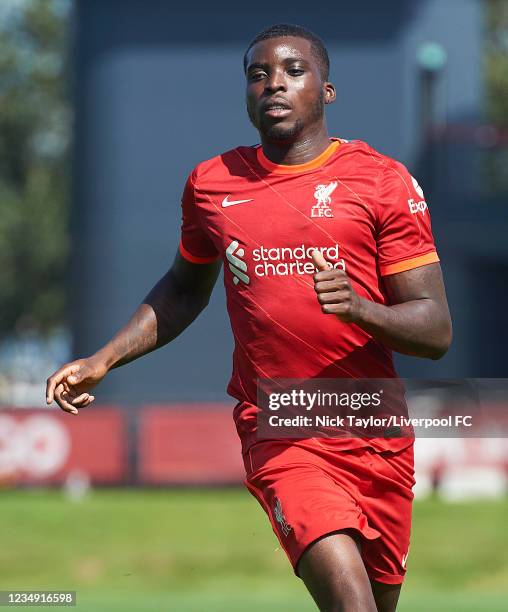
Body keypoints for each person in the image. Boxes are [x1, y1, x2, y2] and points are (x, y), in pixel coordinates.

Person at [46, 23, 452, 612]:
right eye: (258, 74)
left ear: (327, 90)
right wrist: (102, 358)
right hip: (281, 424)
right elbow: (184, 290)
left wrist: (359, 308)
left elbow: (436, 330)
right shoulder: (212, 185)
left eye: (292, 71)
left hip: (375, 428)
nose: (273, 85)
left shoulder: (381, 182)